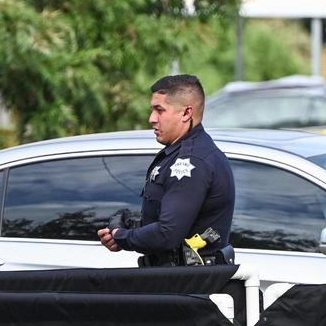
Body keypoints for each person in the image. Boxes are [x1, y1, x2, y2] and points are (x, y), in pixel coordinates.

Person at [97, 74, 234, 266]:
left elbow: (167, 234)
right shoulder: (182, 153)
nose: (151, 118)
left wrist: (123, 236)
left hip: (187, 285)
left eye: (159, 110)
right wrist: (129, 228)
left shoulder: (190, 162)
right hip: (176, 281)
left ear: (186, 113)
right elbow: (175, 220)